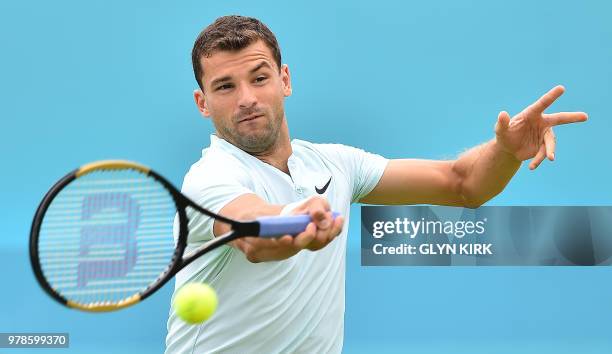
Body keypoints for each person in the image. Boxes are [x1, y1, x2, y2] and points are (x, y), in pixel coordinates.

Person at [165, 15, 587, 353]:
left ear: (285, 80)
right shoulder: (210, 177)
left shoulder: (336, 164)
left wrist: (507, 150)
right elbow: (253, 233)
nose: (246, 98)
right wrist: (297, 223)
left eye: (259, 78)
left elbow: (462, 184)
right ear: (203, 103)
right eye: (225, 86)